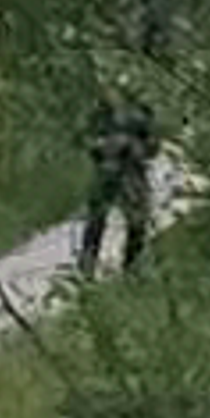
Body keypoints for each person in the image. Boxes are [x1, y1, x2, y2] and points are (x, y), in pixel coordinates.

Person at [76, 94, 160, 281]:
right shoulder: (102, 110)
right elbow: (84, 138)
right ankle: (86, 268)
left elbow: (153, 146)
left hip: (133, 173)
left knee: (137, 223)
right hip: (106, 171)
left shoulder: (143, 110)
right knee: (96, 220)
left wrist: (136, 148)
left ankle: (131, 269)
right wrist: (105, 146)